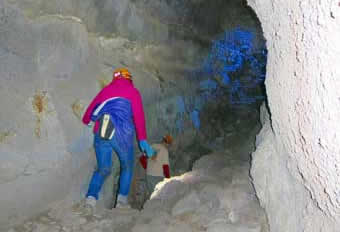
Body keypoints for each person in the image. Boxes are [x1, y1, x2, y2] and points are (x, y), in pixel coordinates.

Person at [82, 67, 155, 209]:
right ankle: (121, 202)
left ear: (115, 78)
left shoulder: (106, 90)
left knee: (103, 168)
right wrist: (143, 140)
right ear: (129, 79)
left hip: (101, 134)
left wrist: (89, 121)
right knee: (127, 167)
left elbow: (88, 116)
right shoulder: (133, 93)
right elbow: (139, 118)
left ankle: (90, 199)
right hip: (122, 136)